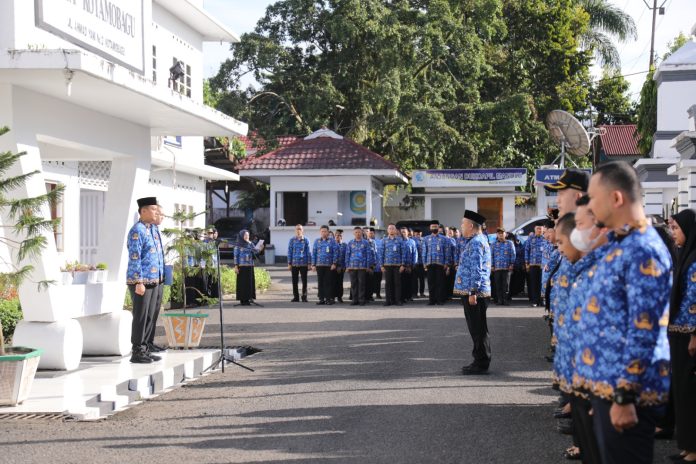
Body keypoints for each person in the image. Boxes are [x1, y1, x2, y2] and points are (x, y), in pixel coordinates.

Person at [574, 161, 671, 464]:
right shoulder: (621, 244)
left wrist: (624, 396)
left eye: (593, 197)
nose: (589, 205)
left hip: (627, 395)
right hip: (608, 387)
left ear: (616, 198)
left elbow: (644, 330)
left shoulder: (643, 249)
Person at [554, 198, 607, 464]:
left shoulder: (599, 270)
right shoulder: (583, 268)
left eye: (562, 243)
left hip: (592, 379)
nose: (560, 250)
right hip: (578, 373)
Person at [668, 209, 696, 462]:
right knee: (680, 391)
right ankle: (687, 445)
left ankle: (693, 449)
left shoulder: (694, 260)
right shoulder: (683, 256)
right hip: (677, 333)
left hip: (689, 337)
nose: (672, 233)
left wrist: (694, 335)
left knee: (689, 392)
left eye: (676, 228)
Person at [126, 197, 164, 364]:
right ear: (143, 211)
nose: (157, 213)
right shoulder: (138, 230)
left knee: (150, 316)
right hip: (141, 281)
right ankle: (137, 351)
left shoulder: (152, 229)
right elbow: (134, 258)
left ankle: (146, 348)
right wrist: (138, 281)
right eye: (154, 210)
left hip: (155, 279)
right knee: (141, 316)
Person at [454, 210, 492, 375]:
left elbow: (477, 269)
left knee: (478, 329)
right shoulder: (475, 240)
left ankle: (481, 363)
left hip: (475, 293)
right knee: (477, 329)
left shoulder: (476, 242)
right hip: (473, 291)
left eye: (463, 223)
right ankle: (479, 359)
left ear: (470, 225)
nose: (461, 226)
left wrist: (473, 292)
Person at [144, 205, 168, 354]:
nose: (162, 217)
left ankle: (150, 342)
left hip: (158, 277)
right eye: (160, 214)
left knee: (154, 313)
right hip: (147, 278)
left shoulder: (155, 230)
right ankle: (143, 346)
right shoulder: (142, 230)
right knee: (146, 313)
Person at [345, 226, 375, 306]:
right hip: (352, 266)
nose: (358, 234)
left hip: (362, 267)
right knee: (354, 284)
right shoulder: (350, 243)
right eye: (356, 232)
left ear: (362, 233)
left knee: (362, 284)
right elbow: (347, 255)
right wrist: (347, 266)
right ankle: (355, 300)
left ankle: (361, 300)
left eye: (359, 232)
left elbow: (368, 255)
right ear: (353, 233)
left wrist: (368, 266)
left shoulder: (366, 243)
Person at [422, 221, 450, 305]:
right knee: (431, 283)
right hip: (429, 263)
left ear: (438, 228)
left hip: (440, 264)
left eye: (435, 226)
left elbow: (447, 252)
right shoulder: (426, 239)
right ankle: (432, 300)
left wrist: (446, 263)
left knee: (440, 283)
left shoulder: (444, 239)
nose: (434, 228)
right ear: (430, 228)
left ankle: (440, 300)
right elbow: (424, 252)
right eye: (432, 227)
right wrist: (424, 264)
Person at [234, 229, 262, 306]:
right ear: (242, 236)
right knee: (243, 283)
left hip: (250, 266)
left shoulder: (250, 243)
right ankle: (243, 300)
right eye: (245, 235)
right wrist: (236, 266)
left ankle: (249, 298)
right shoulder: (238, 245)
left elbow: (256, 252)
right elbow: (236, 256)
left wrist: (260, 248)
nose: (247, 236)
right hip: (242, 267)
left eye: (248, 235)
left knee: (249, 283)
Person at [312, 225, 338, 305]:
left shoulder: (332, 241)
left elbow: (335, 252)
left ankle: (328, 299)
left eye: (325, 231)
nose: (323, 233)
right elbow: (314, 253)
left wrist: (334, 263)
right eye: (322, 231)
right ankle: (321, 299)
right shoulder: (317, 241)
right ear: (320, 232)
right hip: (319, 265)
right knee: (320, 282)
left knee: (328, 282)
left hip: (329, 265)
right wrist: (313, 264)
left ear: (328, 232)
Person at [381, 224, 405, 306]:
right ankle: (388, 300)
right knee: (388, 284)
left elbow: (403, 253)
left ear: (395, 230)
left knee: (397, 283)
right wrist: (381, 265)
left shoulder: (400, 240)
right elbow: (381, 254)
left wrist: (403, 265)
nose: (391, 230)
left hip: (397, 265)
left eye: (393, 228)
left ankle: (397, 300)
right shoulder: (384, 240)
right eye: (390, 228)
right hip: (387, 265)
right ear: (387, 230)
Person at [491, 227, 515, 305]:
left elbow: (513, 254)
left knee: (506, 285)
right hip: (497, 268)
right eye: (499, 233)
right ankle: (499, 300)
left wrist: (512, 264)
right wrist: (492, 265)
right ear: (497, 235)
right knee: (498, 285)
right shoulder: (493, 244)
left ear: (505, 234)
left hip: (507, 267)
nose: (500, 234)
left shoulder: (509, 243)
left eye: (502, 233)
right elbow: (491, 255)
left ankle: (505, 300)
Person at [288, 225, 311, 302]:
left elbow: (308, 252)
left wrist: (309, 263)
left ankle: (304, 297)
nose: (298, 230)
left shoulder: (306, 240)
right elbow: (289, 252)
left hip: (304, 264)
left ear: (302, 230)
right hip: (294, 264)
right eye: (297, 229)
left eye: (300, 229)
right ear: (295, 231)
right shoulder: (292, 240)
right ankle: (296, 297)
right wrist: (289, 263)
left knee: (304, 281)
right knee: (294, 281)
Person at [525, 224, 545, 307]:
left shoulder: (545, 239)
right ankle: (535, 301)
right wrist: (527, 262)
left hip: (543, 264)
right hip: (532, 264)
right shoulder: (531, 238)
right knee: (534, 283)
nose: (539, 230)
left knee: (542, 283)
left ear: (543, 229)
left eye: (540, 229)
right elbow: (527, 250)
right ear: (535, 229)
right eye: (537, 229)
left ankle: (542, 300)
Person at [400, 226, 416, 302]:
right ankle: (402, 297)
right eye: (401, 232)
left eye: (404, 232)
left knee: (409, 282)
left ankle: (409, 296)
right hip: (400, 266)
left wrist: (413, 264)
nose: (403, 233)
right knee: (401, 282)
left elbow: (414, 253)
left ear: (408, 233)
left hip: (410, 265)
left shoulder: (412, 242)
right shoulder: (398, 241)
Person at [368, 227, 382, 300]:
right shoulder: (366, 242)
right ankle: (370, 295)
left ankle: (378, 294)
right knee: (370, 281)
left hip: (378, 265)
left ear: (374, 233)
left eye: (372, 233)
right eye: (369, 233)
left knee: (378, 281)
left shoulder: (379, 242)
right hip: (370, 266)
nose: (370, 234)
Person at [334, 229, 347, 303]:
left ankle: (339, 297)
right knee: (333, 282)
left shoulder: (345, 245)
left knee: (340, 282)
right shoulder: (332, 244)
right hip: (333, 267)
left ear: (342, 237)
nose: (338, 237)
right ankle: (332, 296)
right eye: (337, 235)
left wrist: (344, 266)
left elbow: (346, 256)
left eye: (339, 235)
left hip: (342, 267)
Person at [412, 229, 426, 297]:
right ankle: (415, 293)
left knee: (422, 279)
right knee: (414, 279)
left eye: (419, 233)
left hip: (422, 263)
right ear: (414, 234)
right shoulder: (412, 240)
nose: (418, 235)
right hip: (415, 263)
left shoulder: (424, 240)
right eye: (417, 233)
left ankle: (422, 292)